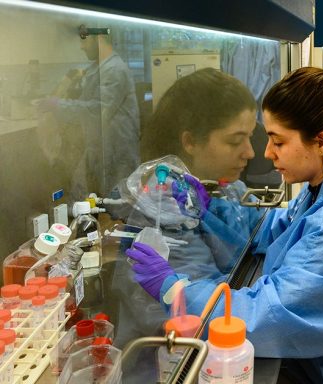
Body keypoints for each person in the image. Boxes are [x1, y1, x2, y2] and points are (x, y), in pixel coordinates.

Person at [126, 67, 323, 383]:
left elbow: (263, 317)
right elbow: (276, 227)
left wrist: (176, 291)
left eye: (278, 141)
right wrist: (210, 209)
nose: (265, 153)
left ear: (322, 143)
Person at [111, 68, 260, 383]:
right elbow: (202, 320)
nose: (250, 152)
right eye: (236, 140)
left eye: (250, 137)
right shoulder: (162, 208)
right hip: (171, 368)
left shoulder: (222, 187)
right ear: (190, 141)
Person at [39, 28, 140, 197]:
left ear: (99, 37)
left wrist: (58, 104)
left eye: (84, 40)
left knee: (118, 205)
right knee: (98, 200)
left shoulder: (114, 70)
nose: (81, 47)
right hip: (101, 148)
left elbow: (97, 109)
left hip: (116, 153)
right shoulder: (98, 69)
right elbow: (86, 104)